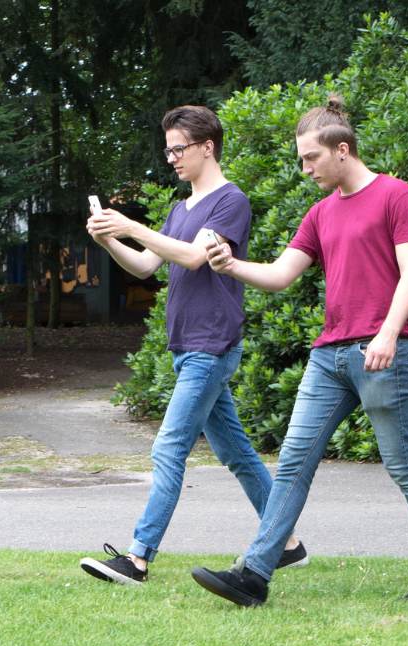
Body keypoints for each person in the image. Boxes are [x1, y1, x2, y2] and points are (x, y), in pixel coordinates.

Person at [191, 95, 408, 606]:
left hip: (383, 352)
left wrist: (386, 332)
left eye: (310, 158)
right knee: (293, 462)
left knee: (404, 465)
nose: (305, 168)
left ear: (342, 150)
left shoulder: (395, 195)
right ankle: (254, 575)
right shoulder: (319, 213)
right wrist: (230, 265)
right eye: (300, 160)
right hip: (329, 356)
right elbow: (280, 274)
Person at [78, 105, 305, 586]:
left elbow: (195, 257)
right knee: (238, 455)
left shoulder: (230, 201)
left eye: (178, 149)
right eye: (168, 151)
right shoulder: (180, 209)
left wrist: (131, 226)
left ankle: (137, 559)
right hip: (186, 345)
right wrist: (108, 240)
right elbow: (145, 266)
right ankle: (286, 543)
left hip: (212, 344)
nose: (171, 159)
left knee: (168, 447)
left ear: (207, 147)